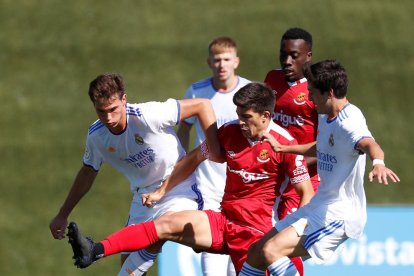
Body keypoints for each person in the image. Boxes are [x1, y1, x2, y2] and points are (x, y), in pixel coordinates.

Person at [65, 82, 315, 274]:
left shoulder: (285, 145)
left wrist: (287, 237)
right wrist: (162, 191)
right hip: (224, 223)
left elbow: (306, 194)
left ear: (266, 117)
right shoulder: (229, 133)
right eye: (238, 115)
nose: (240, 122)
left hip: (257, 234)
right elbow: (195, 157)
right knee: (165, 225)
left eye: (246, 117)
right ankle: (95, 251)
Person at [238, 60, 400, 276]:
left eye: (312, 92)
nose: (310, 97)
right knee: (256, 252)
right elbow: (322, 146)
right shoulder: (326, 115)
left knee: (271, 251)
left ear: (329, 92)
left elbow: (369, 143)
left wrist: (378, 163)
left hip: (338, 214)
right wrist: (284, 148)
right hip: (319, 204)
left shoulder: (349, 121)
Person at [49, 73, 219, 276]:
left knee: (160, 232)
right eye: (101, 112)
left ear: (124, 99)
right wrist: (62, 215)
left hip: (178, 185)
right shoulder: (96, 136)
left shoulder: (148, 114)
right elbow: (87, 172)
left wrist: (215, 148)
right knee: (128, 262)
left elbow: (203, 105)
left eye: (113, 110)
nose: (109, 118)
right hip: (144, 196)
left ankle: (96, 251)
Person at [176, 36, 250, 276]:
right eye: (217, 60)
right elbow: (184, 126)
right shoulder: (197, 91)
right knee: (212, 259)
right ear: (209, 62)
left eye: (227, 59)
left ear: (236, 61)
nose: (222, 65)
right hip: (207, 186)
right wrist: (181, 161)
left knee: (238, 264)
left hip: (242, 184)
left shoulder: (249, 92)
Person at [265, 27, 319, 222]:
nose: (287, 62)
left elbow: (327, 146)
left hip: (305, 179)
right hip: (272, 174)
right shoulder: (272, 79)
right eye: (283, 55)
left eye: (294, 56)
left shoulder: (317, 90)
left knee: (286, 237)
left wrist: (294, 165)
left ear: (308, 56)